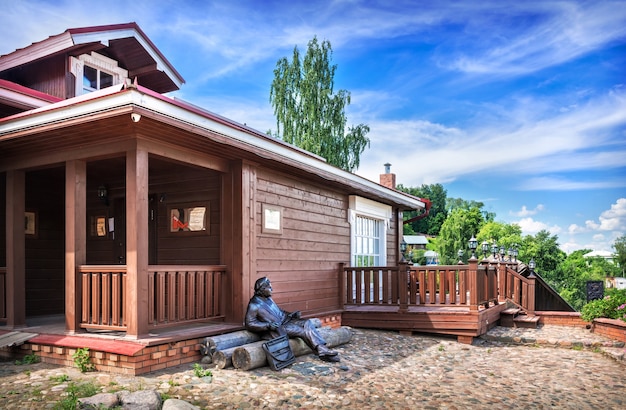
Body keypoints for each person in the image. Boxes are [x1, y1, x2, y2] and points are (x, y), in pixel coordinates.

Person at [244, 277, 340, 362]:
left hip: (285, 321)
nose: (272, 289)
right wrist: (268, 326)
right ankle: (322, 351)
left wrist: (291, 315)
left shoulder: (268, 299)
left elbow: (279, 312)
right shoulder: (254, 305)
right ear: (262, 289)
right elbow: (250, 324)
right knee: (301, 331)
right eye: (269, 287)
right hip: (277, 328)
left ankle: (321, 350)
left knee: (307, 322)